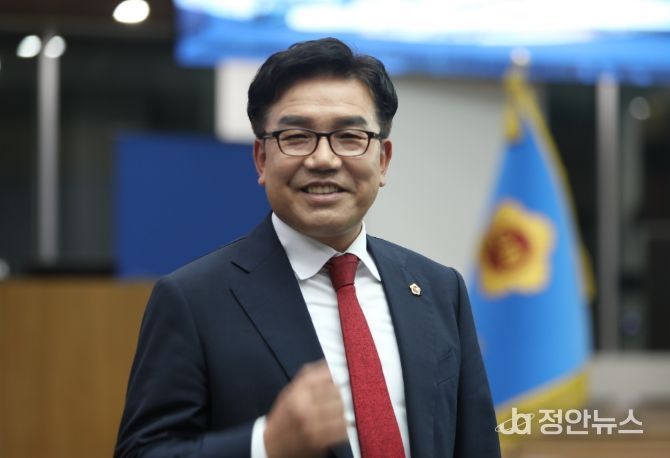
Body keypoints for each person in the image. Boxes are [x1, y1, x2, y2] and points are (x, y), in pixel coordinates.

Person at [115, 37, 501, 458]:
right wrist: (266, 445)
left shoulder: (439, 290)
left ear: (383, 160)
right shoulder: (193, 299)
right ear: (261, 159)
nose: (323, 159)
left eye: (349, 136)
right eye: (297, 137)